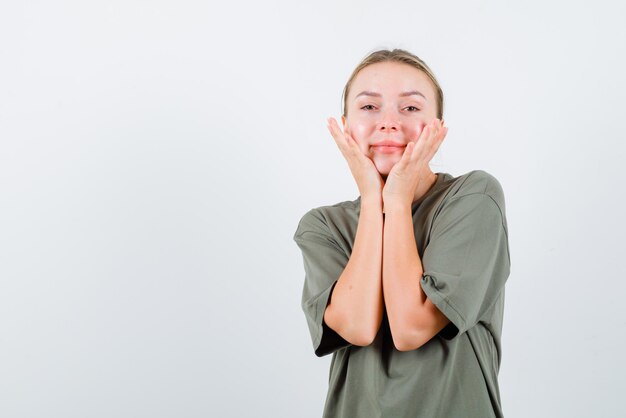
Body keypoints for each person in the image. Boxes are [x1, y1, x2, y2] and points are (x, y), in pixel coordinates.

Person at [292, 48, 512, 418]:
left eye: (410, 108)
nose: (389, 123)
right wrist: (370, 198)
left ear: (437, 127)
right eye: (369, 107)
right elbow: (358, 327)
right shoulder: (323, 226)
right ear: (345, 126)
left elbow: (411, 328)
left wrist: (394, 200)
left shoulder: (474, 197)